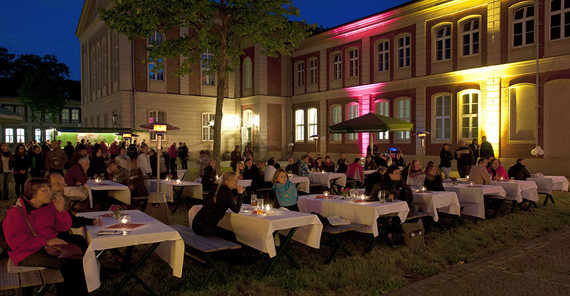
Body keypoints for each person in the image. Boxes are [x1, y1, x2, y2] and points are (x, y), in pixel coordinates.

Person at [3, 179, 88, 295]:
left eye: (49, 189)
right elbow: (18, 244)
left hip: (46, 245)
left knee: (78, 253)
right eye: (44, 190)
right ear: (32, 194)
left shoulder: (47, 206)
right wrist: (47, 241)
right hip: (26, 253)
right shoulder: (16, 214)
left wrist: (60, 210)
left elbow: (64, 227)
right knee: (71, 265)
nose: (50, 193)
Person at [192, 171, 242, 240]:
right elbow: (236, 210)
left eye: (237, 180)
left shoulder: (216, 188)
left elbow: (204, 202)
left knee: (224, 233)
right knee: (231, 236)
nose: (237, 182)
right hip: (204, 227)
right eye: (234, 180)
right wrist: (240, 194)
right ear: (227, 182)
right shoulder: (227, 193)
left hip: (196, 223)